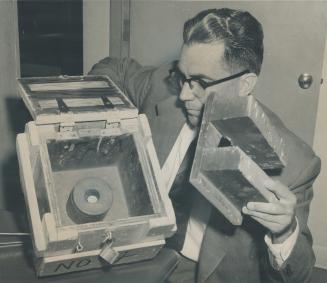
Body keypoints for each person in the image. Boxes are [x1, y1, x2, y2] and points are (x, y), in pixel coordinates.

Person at [89, 8, 320, 283]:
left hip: (202, 271)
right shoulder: (169, 85)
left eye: (201, 83)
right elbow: (117, 69)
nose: (185, 94)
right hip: (132, 246)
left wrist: (284, 232)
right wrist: (96, 115)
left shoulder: (295, 164)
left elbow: (300, 276)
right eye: (183, 76)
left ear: (245, 84)